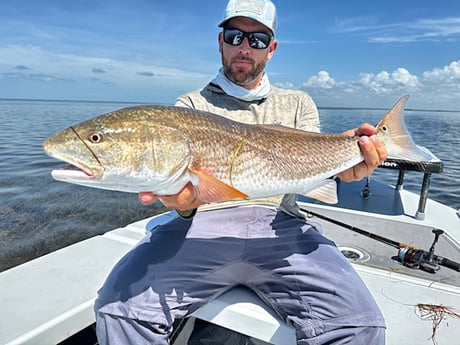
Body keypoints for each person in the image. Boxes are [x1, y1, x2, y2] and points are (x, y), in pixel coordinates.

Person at [95, 0, 387, 344]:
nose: (245, 47)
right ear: (220, 41)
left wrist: (348, 167)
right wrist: (182, 203)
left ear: (272, 48)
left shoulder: (297, 103)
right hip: (202, 229)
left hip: (282, 226)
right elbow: (185, 198)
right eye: (235, 36)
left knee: (360, 322)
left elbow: (315, 169)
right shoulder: (189, 106)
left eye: (258, 39)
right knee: (118, 307)